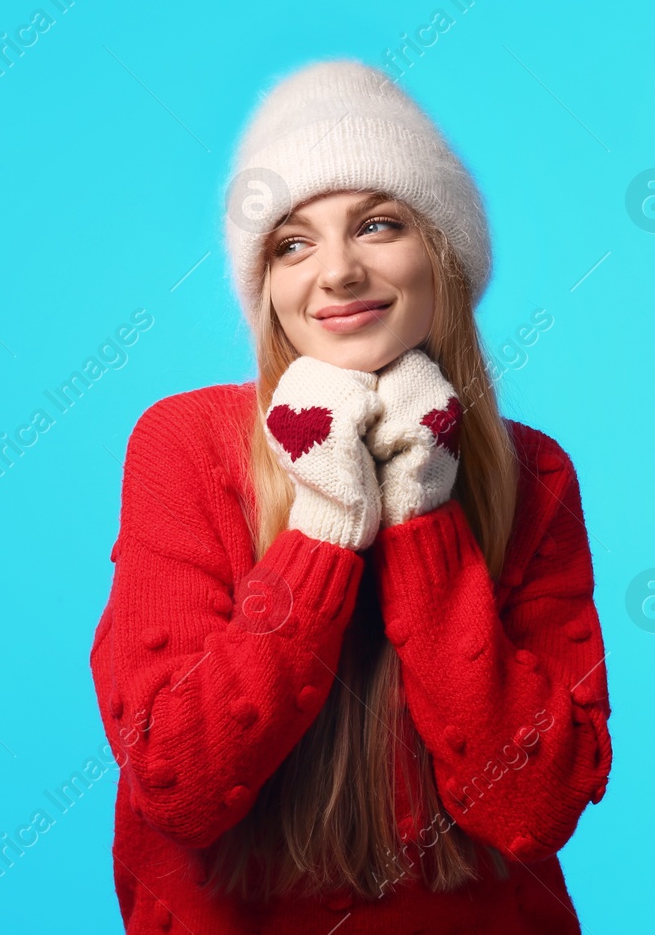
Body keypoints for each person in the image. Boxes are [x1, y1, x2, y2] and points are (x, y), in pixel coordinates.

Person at [89, 60, 612, 933]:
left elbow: (533, 804)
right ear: (269, 295)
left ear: (441, 255)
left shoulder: (534, 473)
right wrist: (326, 526)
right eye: (293, 243)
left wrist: (424, 515)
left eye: (377, 225)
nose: (336, 271)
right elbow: (175, 780)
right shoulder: (185, 446)